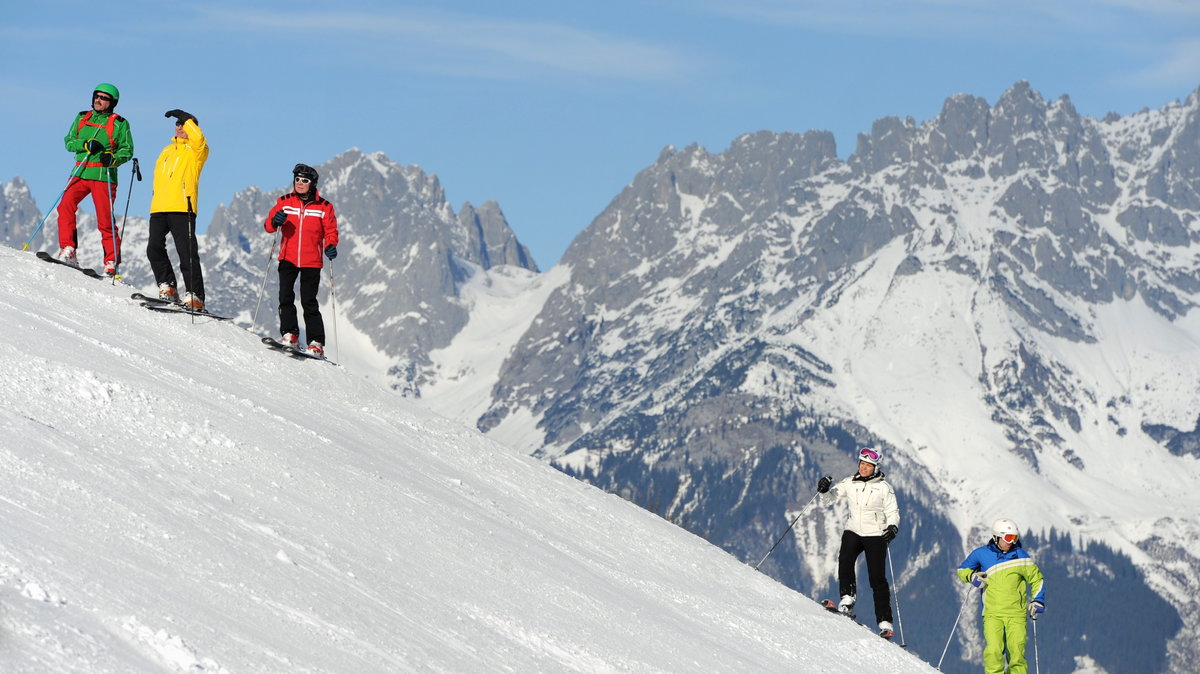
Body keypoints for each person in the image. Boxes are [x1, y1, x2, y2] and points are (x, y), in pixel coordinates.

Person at [816, 446, 900, 637]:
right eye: (861, 463)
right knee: (845, 560)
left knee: (877, 578)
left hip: (876, 534)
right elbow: (829, 500)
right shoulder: (850, 483)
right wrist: (823, 490)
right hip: (853, 529)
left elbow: (893, 512)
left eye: (868, 465)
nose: (863, 468)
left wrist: (892, 527)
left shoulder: (884, 488)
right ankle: (847, 598)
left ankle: (885, 622)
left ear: (875, 467)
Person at [57, 83, 134, 275]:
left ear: (112, 103)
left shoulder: (120, 123)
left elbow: (127, 150)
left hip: (103, 176)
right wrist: (85, 144)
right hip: (81, 172)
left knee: (105, 220)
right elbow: (68, 141)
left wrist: (113, 158)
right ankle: (69, 250)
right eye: (97, 96)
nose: (99, 100)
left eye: (104, 98)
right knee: (65, 205)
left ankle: (111, 262)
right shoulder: (83, 118)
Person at [264, 164, 339, 357]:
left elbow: (331, 231)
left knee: (309, 301)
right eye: (297, 179)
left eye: (304, 180)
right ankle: (290, 334)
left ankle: (316, 343)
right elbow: (269, 226)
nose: (299, 183)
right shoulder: (284, 202)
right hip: (288, 257)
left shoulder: (324, 207)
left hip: (311, 261)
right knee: (285, 298)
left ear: (312, 183)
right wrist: (275, 221)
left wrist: (331, 245)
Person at [956, 519, 1046, 674]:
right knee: (994, 651)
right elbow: (962, 569)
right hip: (992, 613)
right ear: (997, 537)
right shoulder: (981, 554)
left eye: (1015, 538)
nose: (1012, 542)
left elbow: (1037, 579)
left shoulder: (1021, 557)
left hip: (1016, 614)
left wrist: (1038, 600)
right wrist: (973, 577)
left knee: (1016, 654)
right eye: (1009, 538)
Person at [148, 109, 209, 310]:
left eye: (184, 123)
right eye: (178, 123)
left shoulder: (197, 151)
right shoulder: (166, 151)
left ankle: (195, 296)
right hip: (159, 206)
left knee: (187, 253)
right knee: (153, 247)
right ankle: (168, 286)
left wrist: (187, 118)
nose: (180, 127)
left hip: (183, 207)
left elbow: (199, 139)